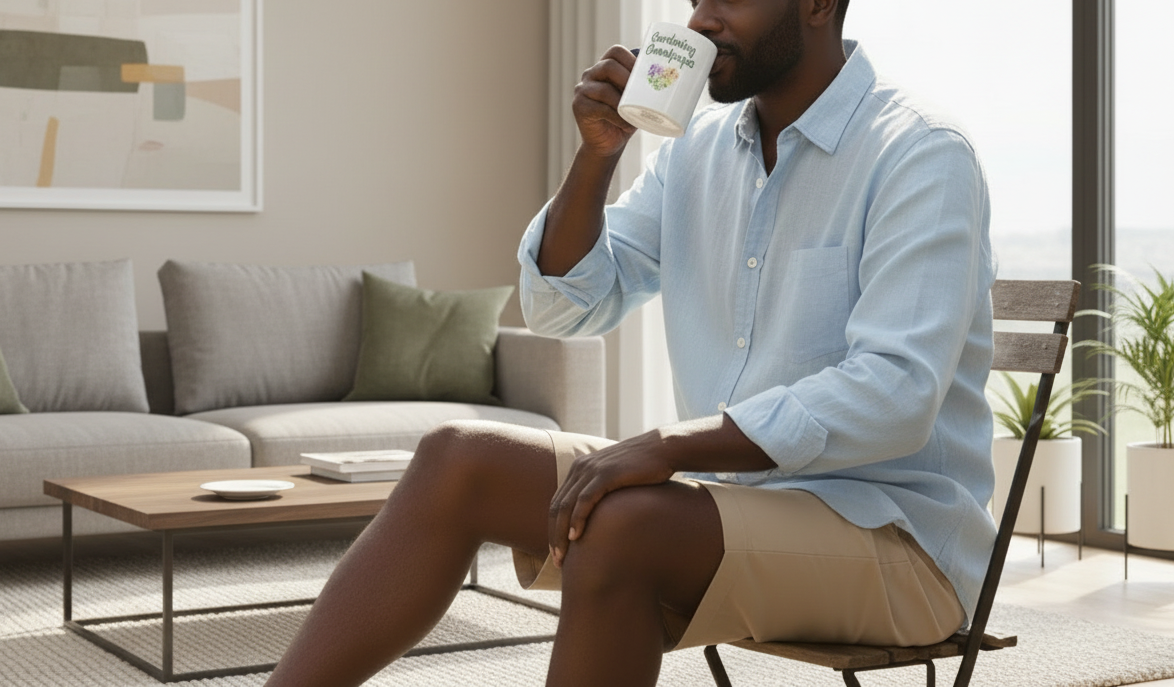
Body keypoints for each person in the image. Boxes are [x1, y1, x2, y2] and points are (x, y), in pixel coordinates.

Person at [265, 0, 996, 685]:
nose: (701, 20)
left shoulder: (921, 154)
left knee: (626, 523)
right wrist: (597, 157)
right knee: (459, 460)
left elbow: (897, 391)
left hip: (897, 543)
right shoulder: (697, 153)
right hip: (727, 505)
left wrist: (670, 446)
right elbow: (565, 307)